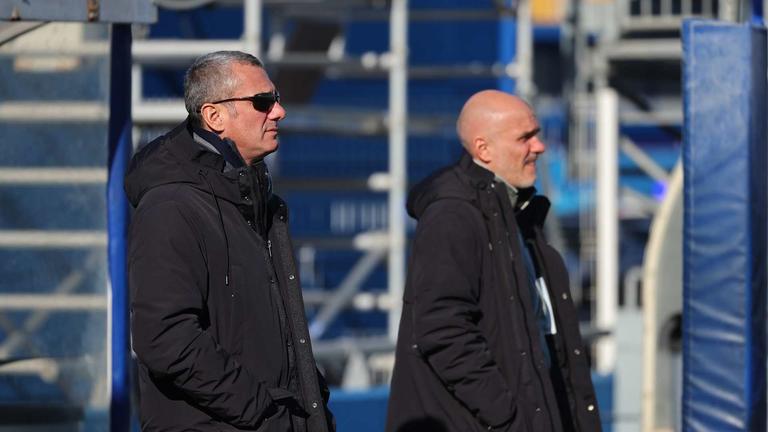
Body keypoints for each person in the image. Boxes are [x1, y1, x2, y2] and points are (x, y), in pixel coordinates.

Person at [125, 51, 333, 432]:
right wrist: (263, 413)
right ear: (214, 116)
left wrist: (313, 409)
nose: (279, 112)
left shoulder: (254, 200)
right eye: (263, 102)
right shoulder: (171, 205)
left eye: (277, 99)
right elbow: (165, 339)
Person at [386, 90, 602, 432]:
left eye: (537, 134)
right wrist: (508, 417)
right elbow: (443, 330)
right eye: (525, 138)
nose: (539, 147)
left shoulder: (517, 215)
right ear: (483, 149)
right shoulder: (453, 216)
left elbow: (547, 343)